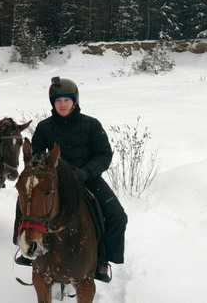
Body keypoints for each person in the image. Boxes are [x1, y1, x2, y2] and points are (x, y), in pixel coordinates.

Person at [13, 76, 127, 284]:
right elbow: (37, 155)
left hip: (87, 179)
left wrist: (85, 172)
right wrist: (43, 170)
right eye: (58, 101)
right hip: (53, 182)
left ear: (74, 102)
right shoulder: (45, 127)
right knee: (23, 206)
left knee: (118, 216)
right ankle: (25, 250)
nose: (62, 104)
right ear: (53, 104)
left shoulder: (92, 125)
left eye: (66, 100)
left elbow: (104, 155)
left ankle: (102, 260)